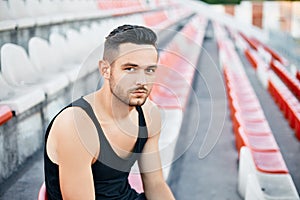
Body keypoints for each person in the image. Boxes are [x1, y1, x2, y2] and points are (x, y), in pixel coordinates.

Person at [44, 24, 175, 200]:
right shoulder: (76, 126)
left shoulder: (149, 114)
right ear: (106, 69)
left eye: (149, 70)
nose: (142, 81)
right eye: (130, 69)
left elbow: (155, 184)